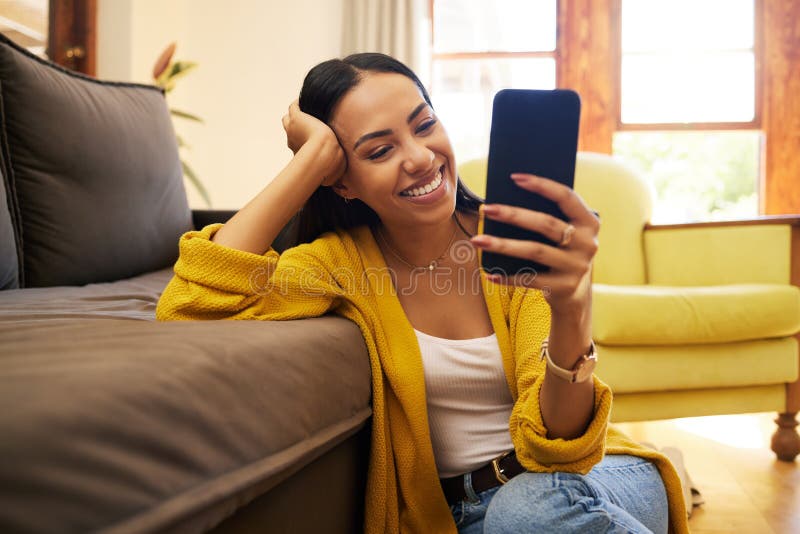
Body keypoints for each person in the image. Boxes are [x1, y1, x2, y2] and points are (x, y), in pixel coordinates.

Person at [157, 53, 688, 534]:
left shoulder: (510, 245)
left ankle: (664, 478)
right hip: (459, 516)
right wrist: (310, 160)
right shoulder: (339, 266)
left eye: (425, 125)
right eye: (381, 149)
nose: (418, 158)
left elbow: (563, 448)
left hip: (589, 475)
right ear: (342, 180)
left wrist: (571, 311)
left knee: (528, 511)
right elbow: (192, 306)